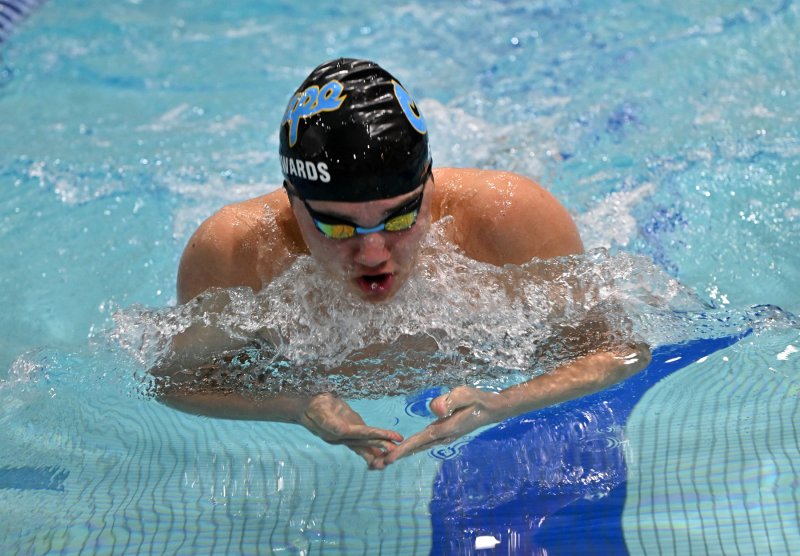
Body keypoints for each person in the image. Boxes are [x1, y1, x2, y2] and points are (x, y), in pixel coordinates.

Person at [155, 58, 651, 470]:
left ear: (429, 184)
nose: (373, 254)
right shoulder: (233, 254)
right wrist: (296, 406)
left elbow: (621, 350)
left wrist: (504, 402)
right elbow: (177, 382)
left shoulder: (510, 219)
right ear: (292, 200)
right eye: (336, 226)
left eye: (400, 217)